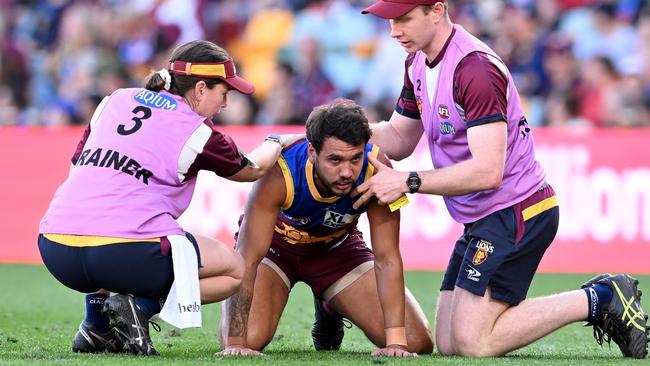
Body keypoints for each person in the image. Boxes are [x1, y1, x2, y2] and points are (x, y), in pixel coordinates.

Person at [358, 0, 649, 358]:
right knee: (449, 344)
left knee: (473, 343)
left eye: (403, 18)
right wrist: (339, 130)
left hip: (518, 210)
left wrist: (409, 182)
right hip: (485, 217)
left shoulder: (473, 69)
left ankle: (603, 297)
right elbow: (400, 139)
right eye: (389, 21)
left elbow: (488, 171)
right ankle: (600, 298)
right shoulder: (417, 61)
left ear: (437, 10)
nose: (394, 30)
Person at [38, 40, 303, 356]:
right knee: (234, 270)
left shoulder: (115, 100)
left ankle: (95, 325)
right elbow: (253, 168)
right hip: (123, 255)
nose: (225, 104)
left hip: (55, 247)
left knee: (115, 224)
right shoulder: (197, 131)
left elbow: (77, 168)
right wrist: (277, 140)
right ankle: (140, 306)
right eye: (225, 93)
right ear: (201, 89)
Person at [218, 99, 434, 357]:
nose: (347, 172)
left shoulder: (377, 168)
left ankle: (330, 304)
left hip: (338, 252)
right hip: (275, 252)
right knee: (247, 340)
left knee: (416, 342)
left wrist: (397, 345)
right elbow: (248, 258)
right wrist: (236, 343)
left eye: (355, 158)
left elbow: (387, 259)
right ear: (312, 152)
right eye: (335, 160)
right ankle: (326, 299)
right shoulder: (281, 170)